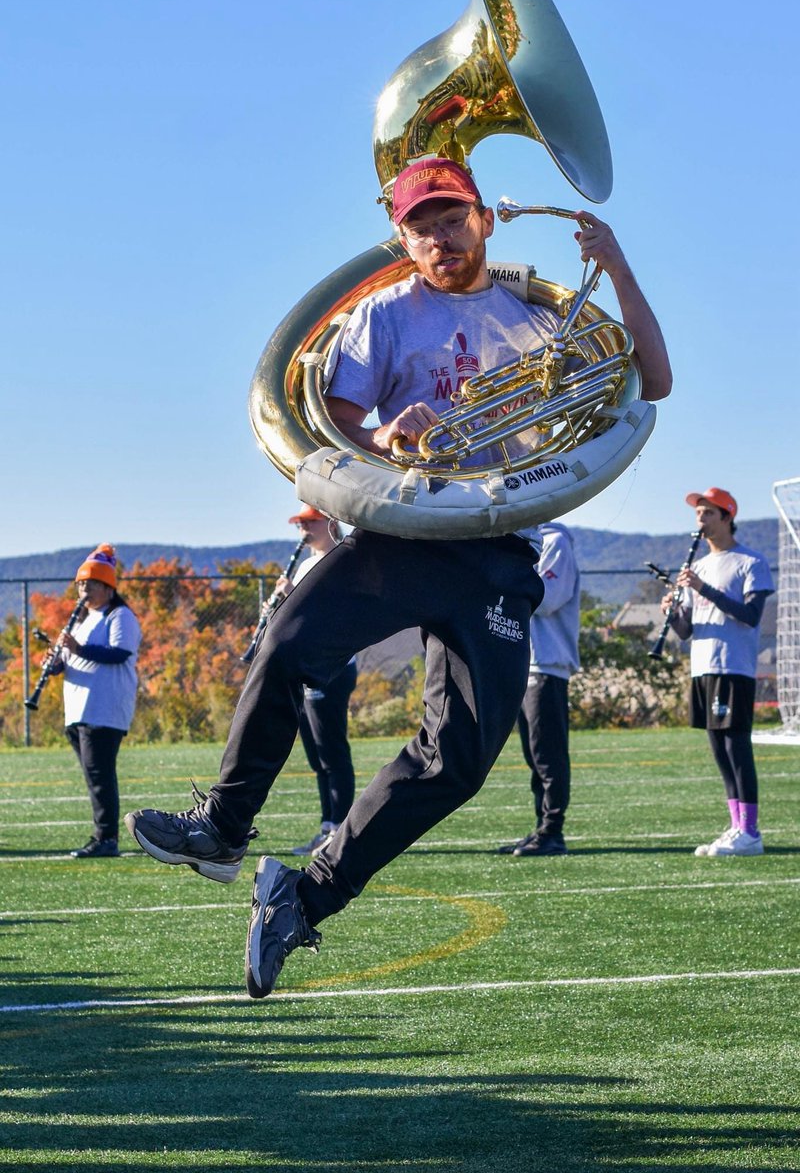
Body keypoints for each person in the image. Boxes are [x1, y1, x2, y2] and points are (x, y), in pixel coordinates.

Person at [126, 156, 672, 997]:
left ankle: (303, 898)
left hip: (498, 554)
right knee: (288, 643)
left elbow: (654, 381)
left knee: (458, 761)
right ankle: (224, 827)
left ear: (485, 219)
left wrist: (620, 264)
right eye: (422, 225)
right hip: (407, 530)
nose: (440, 236)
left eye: (452, 217)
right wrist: (385, 438)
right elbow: (338, 417)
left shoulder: (543, 317)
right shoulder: (384, 313)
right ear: (401, 241)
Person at [660, 487, 774, 857]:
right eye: (698, 514)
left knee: (736, 747)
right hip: (703, 665)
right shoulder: (698, 568)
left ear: (727, 517)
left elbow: (751, 615)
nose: (701, 520)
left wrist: (703, 587)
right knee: (718, 750)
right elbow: (686, 630)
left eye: (708, 513)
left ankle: (751, 832)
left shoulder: (750, 562)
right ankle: (736, 826)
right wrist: (672, 613)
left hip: (733, 666)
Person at [50, 544, 141, 858]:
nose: (83, 590)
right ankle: (102, 835)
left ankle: (106, 838)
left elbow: (120, 653)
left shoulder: (120, 616)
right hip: (78, 709)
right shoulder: (80, 619)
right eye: (80, 584)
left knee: (100, 775)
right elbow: (68, 659)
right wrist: (55, 664)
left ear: (107, 586)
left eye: (89, 584)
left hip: (104, 707)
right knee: (93, 775)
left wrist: (77, 650)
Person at [278, 505, 357, 858]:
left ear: (328, 522)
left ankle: (340, 827)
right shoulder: (308, 562)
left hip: (333, 665)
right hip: (308, 664)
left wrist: (294, 593)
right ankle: (328, 825)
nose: (303, 530)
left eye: (309, 522)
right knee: (316, 754)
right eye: (300, 524)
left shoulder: (341, 560)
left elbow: (333, 611)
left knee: (332, 750)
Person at [498, 522, 580, 857]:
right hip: (526, 662)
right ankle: (541, 829)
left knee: (547, 753)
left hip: (546, 662)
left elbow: (546, 600)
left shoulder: (555, 540)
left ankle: (552, 833)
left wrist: (504, 575)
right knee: (534, 754)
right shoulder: (521, 538)